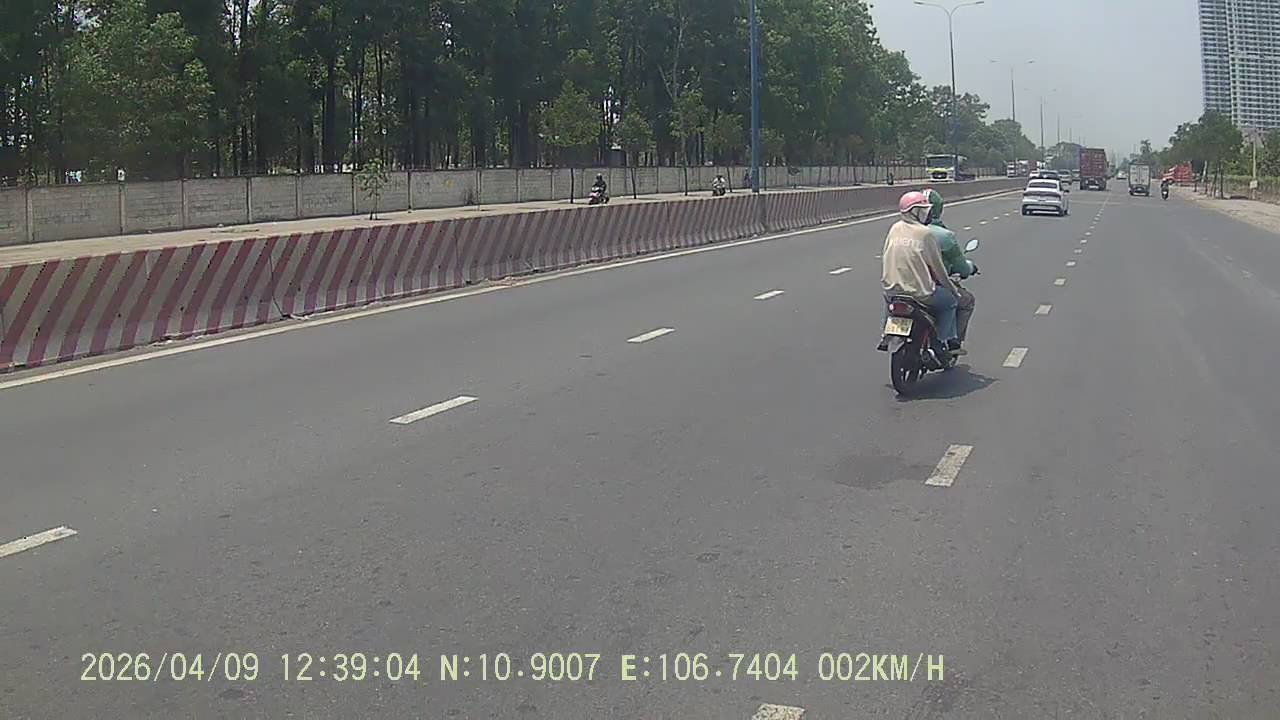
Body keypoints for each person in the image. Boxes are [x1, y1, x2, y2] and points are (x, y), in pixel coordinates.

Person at [878, 191, 962, 354]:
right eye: (923, 210)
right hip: (920, 293)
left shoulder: (895, 228)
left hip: (892, 289)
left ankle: (885, 334)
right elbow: (938, 268)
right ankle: (943, 342)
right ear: (915, 212)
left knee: (890, 301)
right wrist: (952, 289)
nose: (926, 213)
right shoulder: (925, 233)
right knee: (950, 302)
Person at [922, 188, 977, 343]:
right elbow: (962, 268)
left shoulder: (901, 231)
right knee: (964, 300)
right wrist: (970, 268)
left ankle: (886, 336)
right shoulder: (943, 236)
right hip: (931, 287)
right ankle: (951, 341)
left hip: (902, 284)